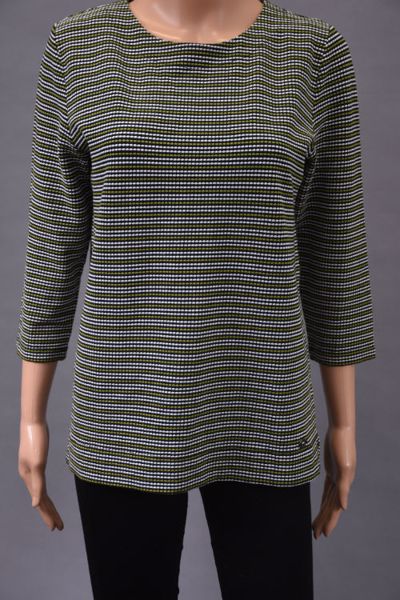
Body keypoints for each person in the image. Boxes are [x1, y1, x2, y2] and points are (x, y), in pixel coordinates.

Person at [16, 0, 376, 598]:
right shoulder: (79, 47)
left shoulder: (313, 53)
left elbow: (332, 249)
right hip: (123, 405)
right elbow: (54, 242)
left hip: (264, 404)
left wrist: (344, 424)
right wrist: (31, 418)